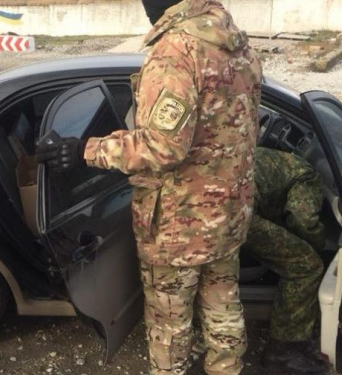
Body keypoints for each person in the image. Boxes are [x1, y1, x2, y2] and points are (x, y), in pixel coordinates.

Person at [36, 0, 262, 373]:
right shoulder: (237, 45)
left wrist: (84, 150)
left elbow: (162, 147)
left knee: (170, 327)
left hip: (179, 224)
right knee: (223, 306)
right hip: (228, 214)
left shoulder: (176, 51)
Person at [243, 147, 328, 375]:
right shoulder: (307, 175)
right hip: (242, 214)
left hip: (219, 205)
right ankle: (284, 353)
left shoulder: (281, 160)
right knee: (307, 266)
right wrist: (319, 245)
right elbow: (302, 220)